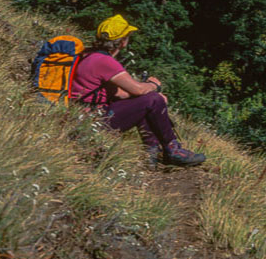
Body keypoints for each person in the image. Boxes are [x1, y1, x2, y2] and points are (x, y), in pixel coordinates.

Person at [70, 14, 206, 167]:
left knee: (147, 102)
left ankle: (152, 154)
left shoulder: (89, 55)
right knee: (153, 99)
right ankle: (173, 151)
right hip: (95, 121)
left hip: (84, 116)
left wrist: (148, 95)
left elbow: (121, 94)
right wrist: (154, 86)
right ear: (122, 42)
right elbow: (138, 90)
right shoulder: (105, 62)